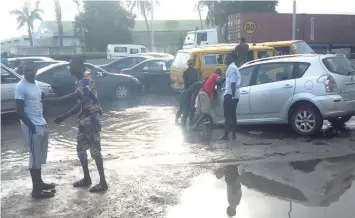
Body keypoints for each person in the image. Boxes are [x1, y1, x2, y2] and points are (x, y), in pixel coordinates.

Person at [44, 57, 108, 193]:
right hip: (83, 119)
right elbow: (80, 104)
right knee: (80, 150)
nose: (69, 68)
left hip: (92, 119)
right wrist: (63, 117)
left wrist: (55, 101)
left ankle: (103, 182)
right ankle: (87, 178)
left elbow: (79, 99)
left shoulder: (86, 79)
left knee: (95, 151)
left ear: (80, 65)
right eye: (69, 65)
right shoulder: (79, 81)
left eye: (71, 65)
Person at [15, 62, 55, 199]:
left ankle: (40, 183)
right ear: (23, 71)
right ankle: (36, 191)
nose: (29, 73)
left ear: (36, 70)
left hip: (40, 123)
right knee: (34, 157)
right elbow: (19, 111)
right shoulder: (20, 86)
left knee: (40, 155)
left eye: (32, 70)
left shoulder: (36, 84)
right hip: (31, 125)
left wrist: (44, 120)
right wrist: (32, 127)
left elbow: (39, 103)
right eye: (27, 70)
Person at [220, 54, 241, 140]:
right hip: (236, 95)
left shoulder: (231, 68)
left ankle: (226, 135)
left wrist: (231, 96)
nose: (225, 60)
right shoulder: (235, 68)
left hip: (230, 94)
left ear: (230, 58)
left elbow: (232, 83)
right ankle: (233, 134)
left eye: (226, 58)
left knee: (227, 116)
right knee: (233, 115)